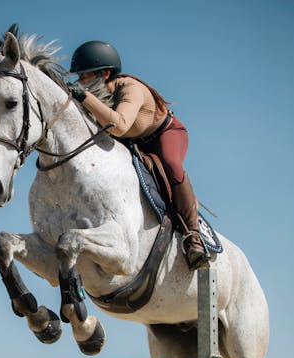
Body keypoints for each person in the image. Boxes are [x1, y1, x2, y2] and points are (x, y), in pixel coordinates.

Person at [67, 40, 210, 271]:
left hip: (165, 134)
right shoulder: (99, 92)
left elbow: (120, 126)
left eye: (85, 76)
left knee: (171, 163)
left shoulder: (130, 88)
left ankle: (193, 237)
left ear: (104, 73)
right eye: (79, 78)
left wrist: (84, 97)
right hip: (133, 142)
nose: (81, 82)